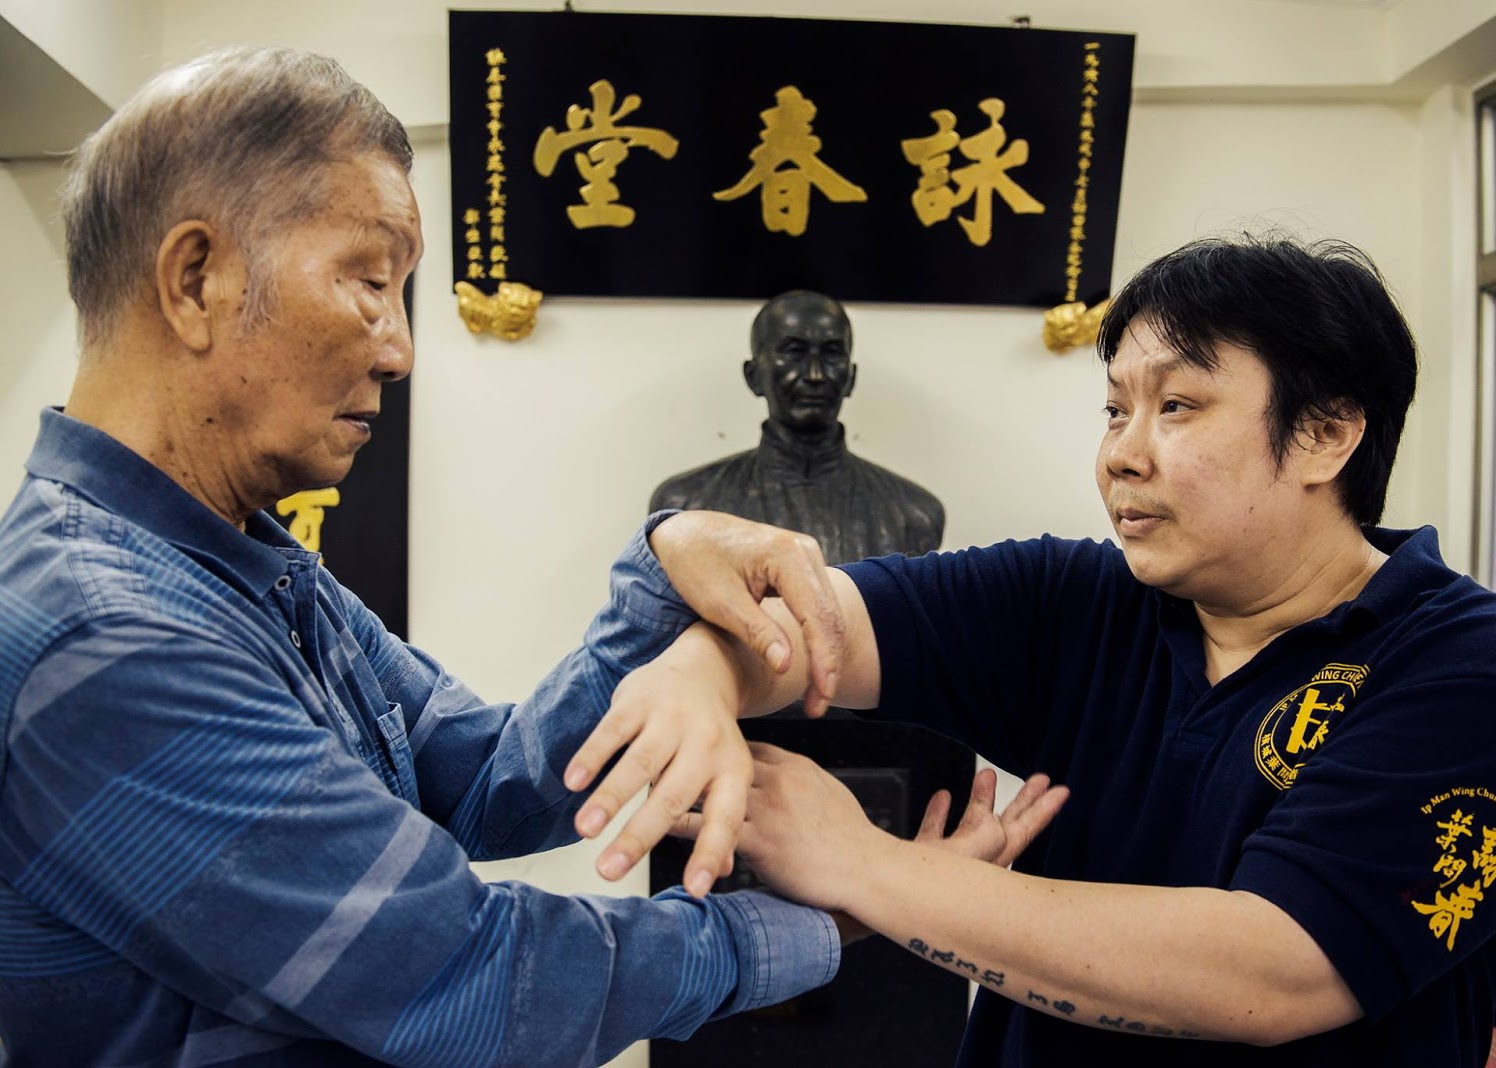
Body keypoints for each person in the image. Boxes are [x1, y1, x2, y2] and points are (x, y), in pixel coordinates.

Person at [0, 47, 1066, 1066]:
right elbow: (466, 973)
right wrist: (842, 908)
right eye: (369, 282)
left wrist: (661, 572)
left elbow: (486, 773)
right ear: (195, 280)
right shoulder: (107, 626)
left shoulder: (244, 565)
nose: (400, 348)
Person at [575, 236, 1496, 1066]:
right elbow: (810, 617)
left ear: (1325, 435)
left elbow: (1270, 973)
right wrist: (699, 672)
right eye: (1115, 407)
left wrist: (860, 864)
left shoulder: (1480, 673)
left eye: (1176, 406)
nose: (1121, 451)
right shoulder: (1082, 597)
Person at [649, 290, 944, 564]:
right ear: (753, 376)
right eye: (793, 352)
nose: (815, 374)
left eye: (831, 353)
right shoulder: (687, 503)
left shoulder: (913, 513)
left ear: (851, 377)